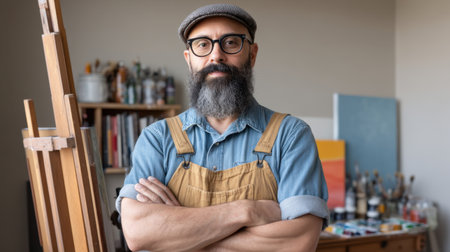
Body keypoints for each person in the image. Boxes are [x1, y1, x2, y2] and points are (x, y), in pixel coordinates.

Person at [117, 4, 329, 251]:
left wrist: (183, 234)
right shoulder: (157, 138)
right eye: (202, 44)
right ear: (189, 59)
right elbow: (138, 234)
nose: (216, 55)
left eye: (230, 43)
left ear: (252, 54)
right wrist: (247, 210)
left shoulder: (290, 135)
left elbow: (298, 243)